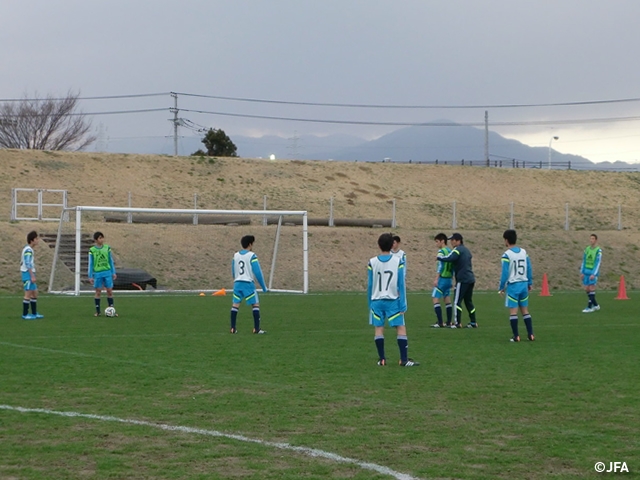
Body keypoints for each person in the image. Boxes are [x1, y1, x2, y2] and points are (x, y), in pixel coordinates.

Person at [368, 233, 419, 367]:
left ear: (379, 245)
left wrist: (370, 304)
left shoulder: (372, 262)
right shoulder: (398, 261)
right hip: (392, 300)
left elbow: (369, 284)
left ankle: (382, 359)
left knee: (379, 329)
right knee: (401, 328)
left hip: (376, 301)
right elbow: (401, 284)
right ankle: (403, 359)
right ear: (392, 245)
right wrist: (403, 304)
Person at [498, 229, 534, 342]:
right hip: (523, 284)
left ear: (506, 240)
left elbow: (505, 273)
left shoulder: (507, 255)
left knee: (513, 312)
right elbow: (529, 268)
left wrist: (501, 287)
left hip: (513, 285)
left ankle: (516, 336)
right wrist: (530, 283)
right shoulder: (524, 252)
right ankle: (531, 334)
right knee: (525, 311)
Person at [230, 235, 268, 334]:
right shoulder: (252, 256)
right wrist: (263, 287)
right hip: (248, 284)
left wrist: (236, 278)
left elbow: (233, 270)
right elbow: (257, 272)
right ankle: (256, 328)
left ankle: (233, 328)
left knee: (235, 305)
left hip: (237, 284)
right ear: (250, 244)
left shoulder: (236, 255)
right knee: (255, 305)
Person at [438, 233, 477, 328]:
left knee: (457, 301)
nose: (451, 242)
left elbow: (450, 258)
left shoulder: (458, 250)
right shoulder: (467, 250)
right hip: (470, 279)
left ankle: (457, 323)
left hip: (462, 279)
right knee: (468, 302)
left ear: (458, 240)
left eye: (453, 240)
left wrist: (439, 257)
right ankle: (473, 322)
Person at [88, 231, 117, 317]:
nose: (102, 240)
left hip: (107, 272)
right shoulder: (92, 250)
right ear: (96, 240)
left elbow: (110, 261)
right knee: (98, 292)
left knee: (109, 291)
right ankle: (98, 311)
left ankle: (111, 309)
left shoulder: (107, 248)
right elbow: (91, 263)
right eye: (100, 238)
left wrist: (113, 272)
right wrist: (90, 276)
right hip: (98, 273)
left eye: (102, 237)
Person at [431, 233, 453, 328]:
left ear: (442, 241)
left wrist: (436, 278)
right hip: (449, 279)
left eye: (437, 241)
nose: (436, 244)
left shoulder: (441, 252)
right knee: (447, 298)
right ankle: (448, 322)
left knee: (435, 298)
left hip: (442, 279)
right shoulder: (450, 251)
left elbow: (441, 266)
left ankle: (440, 322)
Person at [20, 230, 44, 320]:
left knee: (34, 293)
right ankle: (25, 314)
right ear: (32, 240)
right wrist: (32, 275)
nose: (38, 240)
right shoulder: (28, 250)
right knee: (28, 294)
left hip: (29, 273)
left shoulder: (28, 249)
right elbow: (27, 263)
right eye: (36, 238)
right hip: (27, 274)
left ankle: (34, 313)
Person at [580, 233, 602, 313]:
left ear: (596, 240)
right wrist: (582, 272)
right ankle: (596, 305)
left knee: (591, 288)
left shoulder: (598, 250)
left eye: (593, 239)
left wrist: (594, 273)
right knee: (587, 289)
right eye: (590, 239)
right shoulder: (587, 249)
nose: (591, 240)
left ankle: (589, 307)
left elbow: (598, 263)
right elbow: (584, 260)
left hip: (593, 273)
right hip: (586, 272)